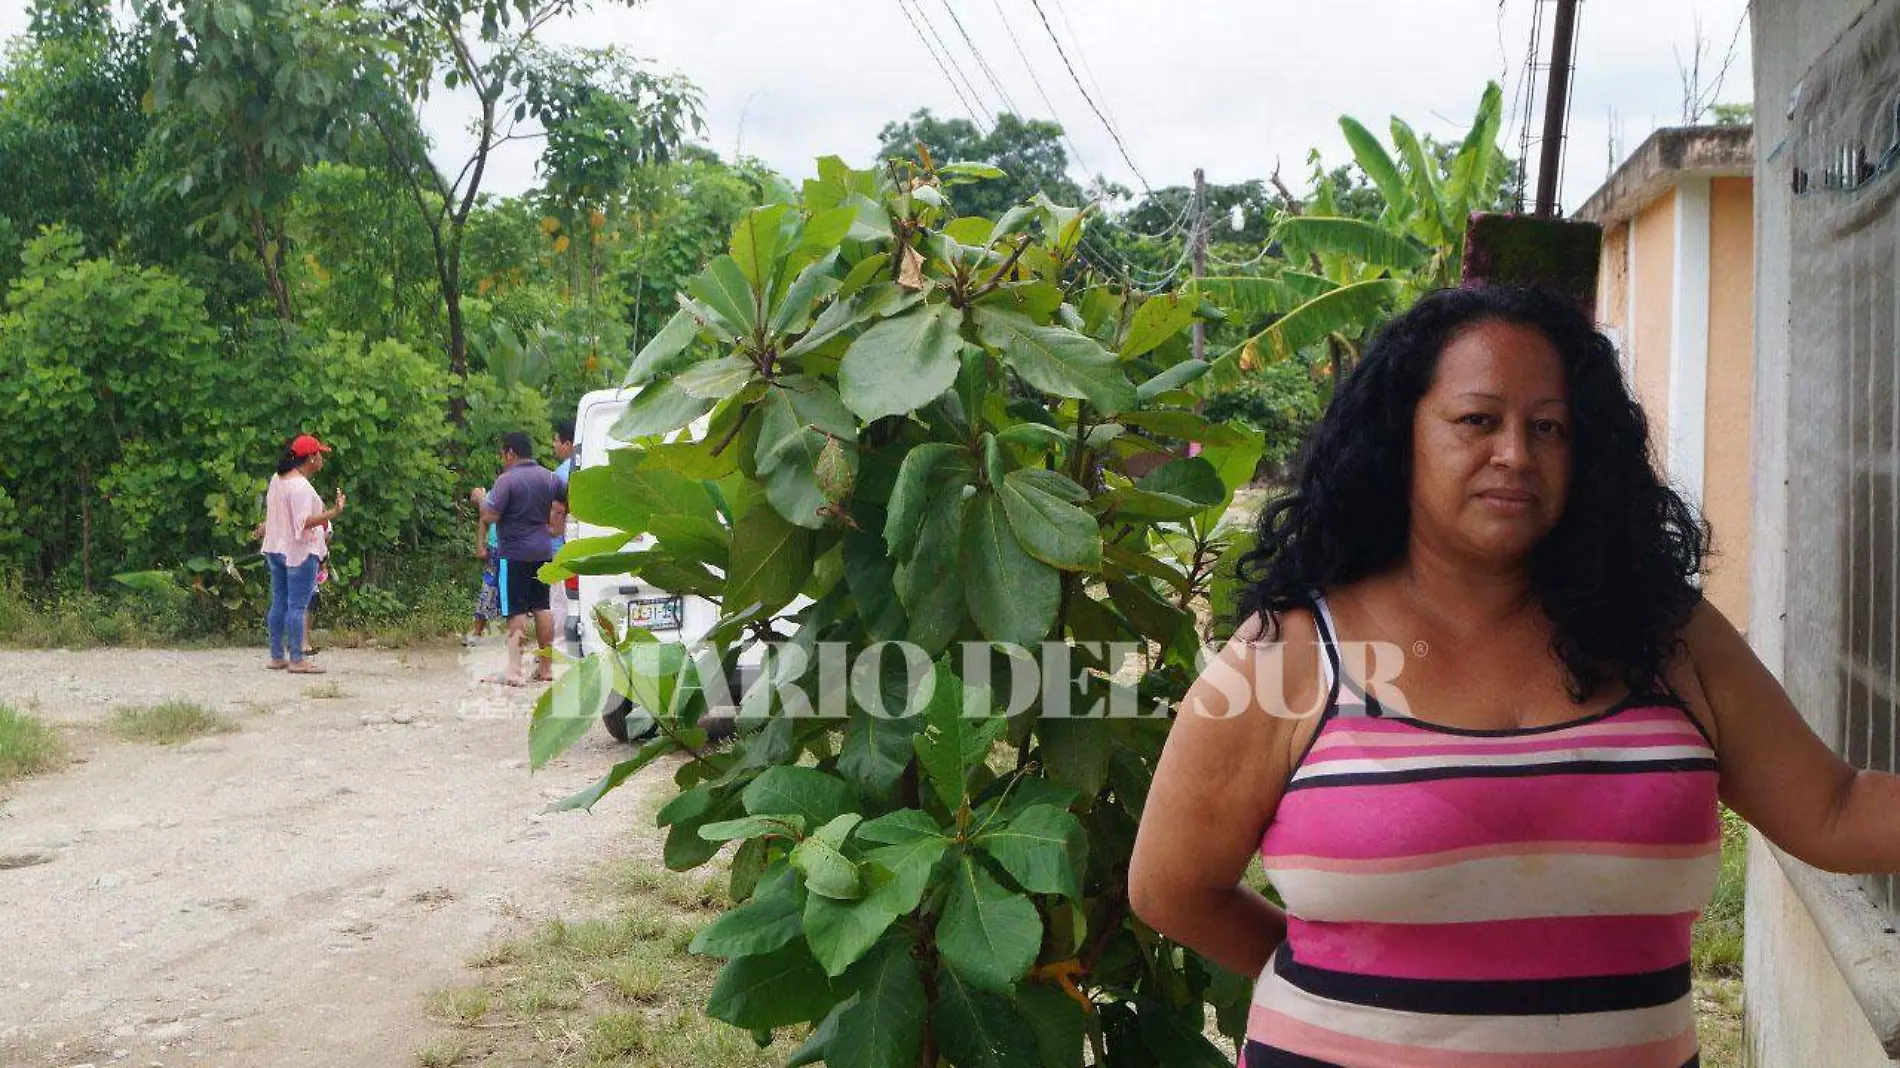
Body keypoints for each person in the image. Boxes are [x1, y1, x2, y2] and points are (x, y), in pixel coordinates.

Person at [1129, 285, 1900, 1067]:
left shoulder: (1669, 638)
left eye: (1549, 427)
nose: (1516, 455)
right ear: (1401, 437)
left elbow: (1835, 811)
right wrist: (1344, 987)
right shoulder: (1289, 652)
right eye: (1477, 420)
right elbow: (1172, 887)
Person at [480, 430, 566, 686]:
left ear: (510, 453)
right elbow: (567, 502)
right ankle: (546, 668)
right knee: (542, 606)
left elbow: (490, 515)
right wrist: (555, 526)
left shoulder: (507, 480)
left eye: (503, 454)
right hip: (543, 549)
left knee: (516, 609)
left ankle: (515, 670)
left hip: (514, 553)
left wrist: (481, 501)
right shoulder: (550, 477)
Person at [262, 434, 344, 675]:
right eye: (319, 454)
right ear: (310, 458)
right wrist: (334, 512)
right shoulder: (300, 487)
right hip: (298, 551)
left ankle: (277, 656)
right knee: (298, 605)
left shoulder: (278, 479)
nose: (322, 458)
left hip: (275, 547)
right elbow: (303, 523)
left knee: (279, 601)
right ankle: (297, 658)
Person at [547, 419, 576, 652]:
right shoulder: (589, 466)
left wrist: (550, 531)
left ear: (568, 443)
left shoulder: (560, 474)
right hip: (584, 543)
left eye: (556, 440)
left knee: (559, 600)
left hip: (561, 546)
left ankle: (558, 647)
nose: (553, 445)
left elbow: (557, 511)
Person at [464, 488, 500, 646]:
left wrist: (481, 498)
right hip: (496, 547)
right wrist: (480, 545)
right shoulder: (498, 490)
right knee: (489, 587)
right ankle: (478, 632)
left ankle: (518, 634)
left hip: (516, 549)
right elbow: (484, 518)